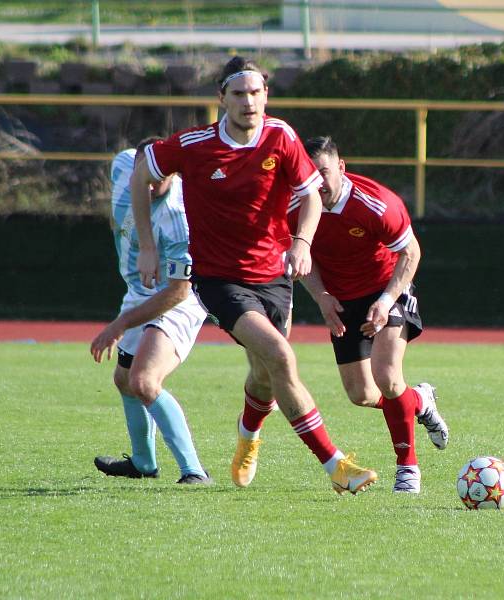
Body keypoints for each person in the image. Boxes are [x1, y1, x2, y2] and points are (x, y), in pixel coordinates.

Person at [131, 56, 378, 495]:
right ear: (222, 98)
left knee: (265, 376)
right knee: (281, 356)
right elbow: (142, 170)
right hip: (219, 279)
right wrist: (147, 246)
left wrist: (301, 242)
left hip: (273, 275)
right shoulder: (195, 145)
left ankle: (248, 436)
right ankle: (336, 466)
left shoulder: (281, 137)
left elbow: (311, 198)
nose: (249, 102)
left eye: (256, 92)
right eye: (239, 94)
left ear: (266, 95)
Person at [290, 136, 449, 494]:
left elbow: (411, 252)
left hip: (387, 289)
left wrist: (387, 298)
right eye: (309, 174)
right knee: (361, 393)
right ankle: (419, 400)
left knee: (387, 376)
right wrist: (322, 297)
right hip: (343, 301)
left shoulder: (376, 204)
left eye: (324, 172)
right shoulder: (295, 204)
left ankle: (407, 468)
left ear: (341, 167)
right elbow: (304, 254)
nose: (317, 182)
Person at [90, 138, 211, 485]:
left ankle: (194, 471)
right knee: (123, 381)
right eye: (145, 171)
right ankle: (143, 463)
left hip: (179, 299)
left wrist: (120, 324)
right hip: (138, 292)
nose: (151, 180)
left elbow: (178, 291)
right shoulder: (124, 164)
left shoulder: (178, 219)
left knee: (144, 380)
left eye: (161, 174)